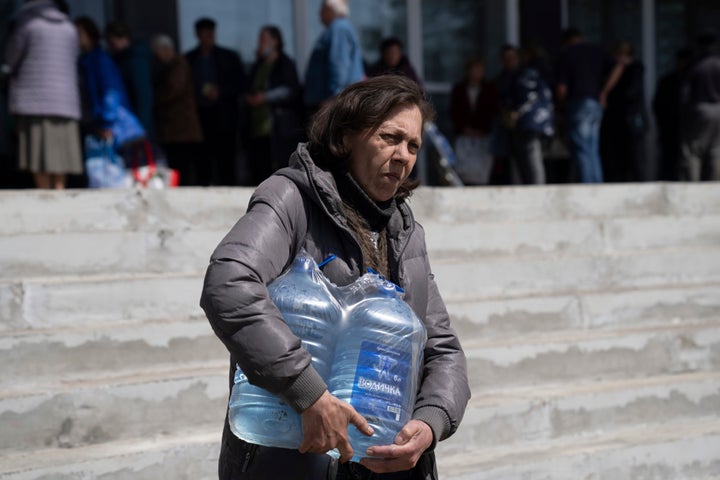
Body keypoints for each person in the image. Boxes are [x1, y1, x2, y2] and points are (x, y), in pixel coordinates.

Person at [200, 75, 470, 480]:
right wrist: (309, 394)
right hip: (293, 458)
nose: (403, 156)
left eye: (413, 145)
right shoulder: (291, 199)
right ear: (345, 139)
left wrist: (430, 423)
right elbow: (229, 281)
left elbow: (443, 350)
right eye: (389, 138)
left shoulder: (405, 233)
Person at [5, 0, 82, 189]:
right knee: (62, 153)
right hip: (65, 99)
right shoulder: (69, 28)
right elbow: (75, 57)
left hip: (35, 99)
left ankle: (44, 194)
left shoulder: (28, 24)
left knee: (37, 153)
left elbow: (11, 58)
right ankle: (60, 190)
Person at [555, 27, 623, 183]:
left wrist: (560, 104)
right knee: (592, 148)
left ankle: (589, 187)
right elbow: (619, 66)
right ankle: (596, 184)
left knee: (582, 149)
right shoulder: (596, 50)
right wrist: (604, 92)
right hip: (595, 103)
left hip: (578, 104)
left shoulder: (567, 54)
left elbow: (561, 88)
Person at [185, 17, 246, 186]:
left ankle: (229, 193)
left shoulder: (229, 57)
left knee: (225, 161)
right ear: (198, 35)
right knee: (201, 162)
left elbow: (240, 83)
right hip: (199, 119)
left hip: (224, 118)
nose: (209, 37)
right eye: (205, 34)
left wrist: (221, 92)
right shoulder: (189, 60)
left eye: (211, 33)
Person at [74, 16, 145, 151]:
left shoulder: (100, 60)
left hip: (114, 124)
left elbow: (110, 92)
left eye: (79, 33)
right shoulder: (87, 60)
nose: (76, 37)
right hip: (102, 123)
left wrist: (107, 123)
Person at [245, 25, 303, 185]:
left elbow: (291, 89)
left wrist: (265, 97)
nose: (260, 43)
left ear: (275, 41)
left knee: (279, 172)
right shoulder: (258, 65)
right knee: (259, 171)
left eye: (263, 39)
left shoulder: (285, 63)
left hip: (277, 129)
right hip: (257, 128)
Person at [151, 34, 203, 186]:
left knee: (182, 166)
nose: (157, 57)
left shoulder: (179, 64)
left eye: (158, 53)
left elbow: (172, 90)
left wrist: (154, 97)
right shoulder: (168, 66)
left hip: (182, 129)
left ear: (166, 50)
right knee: (177, 165)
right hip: (174, 129)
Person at [502, 45, 555, 185]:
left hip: (532, 123)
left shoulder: (526, 75)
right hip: (527, 125)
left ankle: (537, 193)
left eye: (512, 58)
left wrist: (514, 114)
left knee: (532, 159)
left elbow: (528, 99)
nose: (509, 62)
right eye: (506, 59)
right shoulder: (510, 77)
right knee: (522, 161)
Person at [303, 0, 365, 117]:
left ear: (331, 9)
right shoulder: (338, 28)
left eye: (322, 9)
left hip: (334, 102)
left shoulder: (338, 28)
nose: (319, 13)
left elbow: (339, 65)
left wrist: (332, 98)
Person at [600, 41, 649, 182]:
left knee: (635, 158)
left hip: (633, 121)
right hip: (617, 123)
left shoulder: (635, 69)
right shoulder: (611, 72)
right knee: (618, 159)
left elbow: (630, 93)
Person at [449, 57, 501, 185]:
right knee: (464, 168)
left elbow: (493, 111)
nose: (477, 73)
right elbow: (454, 111)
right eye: (474, 70)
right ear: (468, 71)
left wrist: (483, 130)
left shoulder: (490, 89)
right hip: (465, 134)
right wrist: (464, 128)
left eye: (480, 70)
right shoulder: (459, 89)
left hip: (484, 134)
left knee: (483, 170)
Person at [679, 32, 720, 181]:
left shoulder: (696, 66)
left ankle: (693, 185)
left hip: (701, 110)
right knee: (716, 149)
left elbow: (685, 95)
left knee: (693, 150)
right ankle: (715, 183)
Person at [104, 20, 155, 140]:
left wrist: (141, 126)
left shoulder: (135, 60)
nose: (111, 47)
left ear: (124, 38)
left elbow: (143, 95)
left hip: (135, 123)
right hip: (128, 121)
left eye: (112, 42)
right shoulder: (120, 59)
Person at [653, 47, 693, 181]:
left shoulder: (692, 78)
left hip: (683, 126)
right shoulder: (670, 81)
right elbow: (658, 105)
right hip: (672, 126)